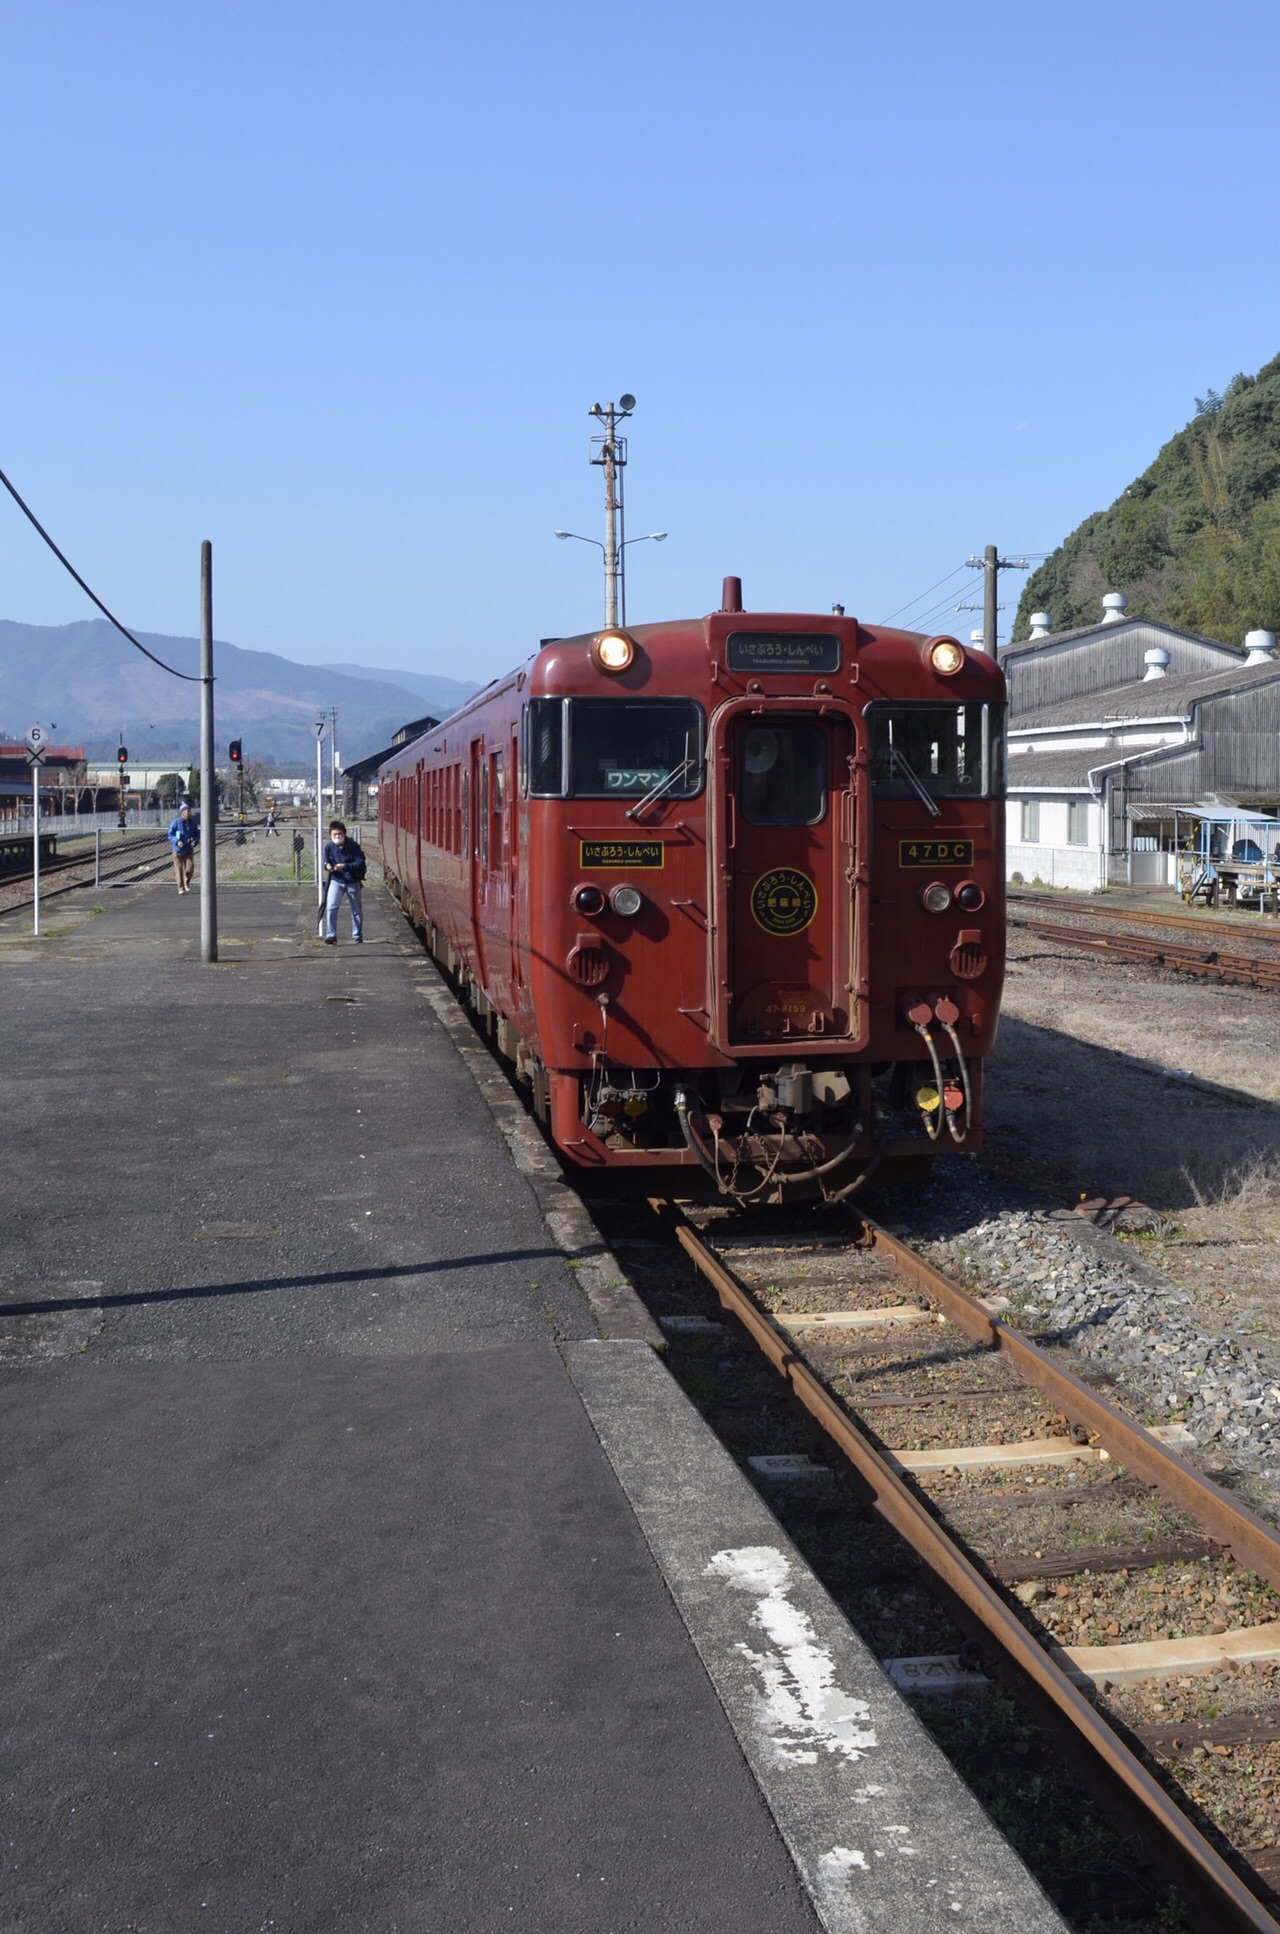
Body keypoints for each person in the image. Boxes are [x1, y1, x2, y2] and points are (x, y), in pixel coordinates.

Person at [322, 820, 366, 943]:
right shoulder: (329, 847)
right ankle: (331, 935)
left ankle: (357, 936)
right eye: (334, 835)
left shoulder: (353, 846)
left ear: (345, 833)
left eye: (339, 834)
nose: (337, 837)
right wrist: (328, 866)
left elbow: (359, 862)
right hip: (336, 880)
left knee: (356, 909)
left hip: (352, 880)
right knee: (331, 907)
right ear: (330, 835)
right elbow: (326, 862)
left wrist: (344, 866)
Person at [167, 802, 200, 895]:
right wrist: (177, 841)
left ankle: (187, 882)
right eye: (187, 811)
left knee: (190, 868)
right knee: (179, 869)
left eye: (189, 811)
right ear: (182, 812)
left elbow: (197, 834)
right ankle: (180, 887)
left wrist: (196, 840)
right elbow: (170, 834)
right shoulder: (176, 823)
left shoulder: (193, 824)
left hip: (188, 849)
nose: (189, 813)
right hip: (178, 850)